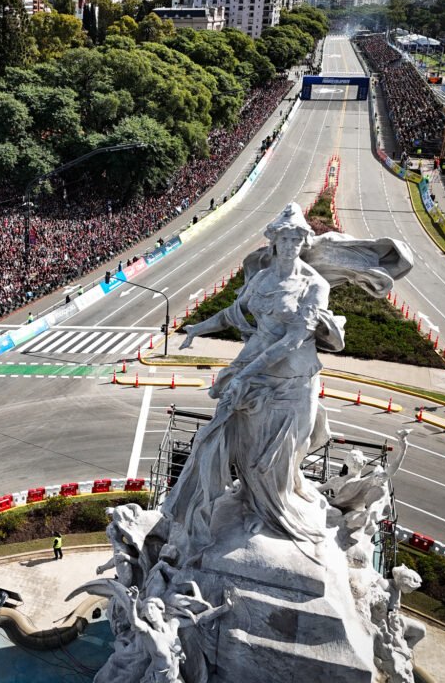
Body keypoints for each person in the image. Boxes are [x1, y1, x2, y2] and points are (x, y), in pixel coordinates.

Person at [172, 203, 412, 544]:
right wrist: (198, 328)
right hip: (255, 373)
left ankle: (275, 513)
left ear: (304, 242)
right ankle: (254, 505)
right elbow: (233, 313)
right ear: (273, 241)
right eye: (284, 238)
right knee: (247, 449)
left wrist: (243, 374)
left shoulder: (314, 285)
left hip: (292, 381)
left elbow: (292, 341)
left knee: (276, 458)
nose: (290, 245)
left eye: (296, 239)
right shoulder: (262, 279)